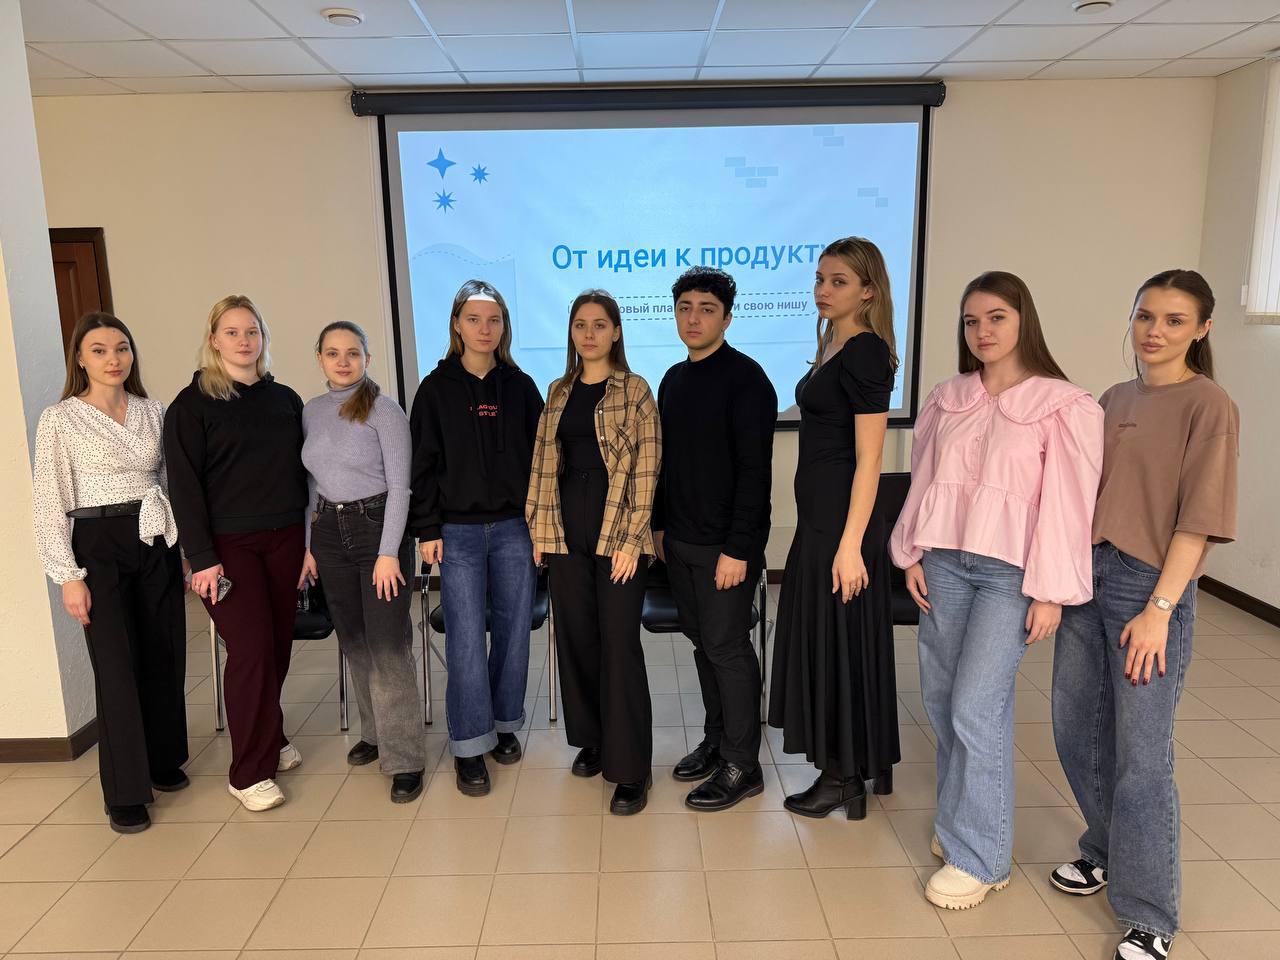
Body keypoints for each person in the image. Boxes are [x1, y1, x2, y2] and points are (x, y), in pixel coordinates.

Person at [891, 271, 1104, 910]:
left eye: (996, 318)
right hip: (945, 563)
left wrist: (1051, 590)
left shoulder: (1064, 404)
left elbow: (1069, 504)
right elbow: (925, 478)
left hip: (1009, 574)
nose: (981, 331)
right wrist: (912, 551)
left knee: (976, 706)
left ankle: (981, 857)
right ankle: (962, 819)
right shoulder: (948, 396)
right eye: (970, 321)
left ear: (1023, 321)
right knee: (941, 698)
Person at [1049, 270, 1239, 960]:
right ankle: (1104, 849)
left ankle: (1149, 912)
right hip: (1088, 578)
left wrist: (1161, 608)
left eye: (1174, 320)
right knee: (1075, 730)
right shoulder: (1115, 398)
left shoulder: (1208, 404)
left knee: (1142, 756)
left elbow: (1199, 518)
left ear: (1203, 329)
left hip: (1148, 588)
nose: (1155, 331)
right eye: (1145, 316)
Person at [32, 312, 188, 834]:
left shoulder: (151, 410)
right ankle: (125, 791)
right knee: (117, 665)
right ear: (80, 358)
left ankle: (163, 759)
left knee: (164, 651)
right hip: (98, 544)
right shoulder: (60, 419)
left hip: (152, 536)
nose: (113, 359)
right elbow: (49, 499)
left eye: (121, 348)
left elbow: (166, 478)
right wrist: (67, 575)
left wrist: (181, 544)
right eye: (99, 350)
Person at [768, 237, 900, 822]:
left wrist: (851, 546)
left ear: (868, 290)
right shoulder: (833, 342)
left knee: (838, 646)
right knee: (832, 643)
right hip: (821, 520)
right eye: (820, 278)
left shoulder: (866, 351)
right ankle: (855, 765)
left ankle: (844, 777)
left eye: (839, 281)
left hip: (842, 528)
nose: (823, 290)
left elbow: (870, 459)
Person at [164, 295, 308, 813]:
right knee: (251, 651)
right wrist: (201, 558)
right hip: (227, 549)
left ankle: (271, 733)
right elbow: (184, 488)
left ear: (263, 338)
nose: (244, 341)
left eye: (252, 331)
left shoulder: (285, 399)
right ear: (213, 339)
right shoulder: (191, 406)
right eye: (232, 332)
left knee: (279, 646)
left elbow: (303, 475)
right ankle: (248, 772)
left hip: (286, 540)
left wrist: (308, 544)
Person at [527, 289, 661, 815]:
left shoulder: (635, 390)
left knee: (619, 646)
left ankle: (631, 769)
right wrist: (540, 531)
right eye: (580, 324)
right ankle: (595, 740)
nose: (589, 333)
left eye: (600, 324)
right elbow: (543, 463)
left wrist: (631, 541)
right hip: (566, 528)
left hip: (617, 527)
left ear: (616, 331)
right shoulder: (558, 391)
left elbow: (647, 469)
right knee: (578, 639)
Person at [409, 280, 543, 797]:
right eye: (474, 320)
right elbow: (422, 465)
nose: (484, 329)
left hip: (515, 530)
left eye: (494, 320)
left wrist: (542, 528)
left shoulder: (521, 387)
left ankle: (504, 724)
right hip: (457, 533)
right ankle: (468, 745)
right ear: (456, 326)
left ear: (504, 327)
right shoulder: (435, 389)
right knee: (464, 639)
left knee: (513, 632)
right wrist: (426, 528)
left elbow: (542, 464)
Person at [652, 266, 777, 811]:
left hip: (726, 548)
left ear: (727, 317)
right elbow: (666, 464)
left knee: (727, 648)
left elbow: (755, 474)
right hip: (679, 542)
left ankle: (742, 764)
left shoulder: (747, 380)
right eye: (685, 308)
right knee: (704, 644)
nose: (693, 318)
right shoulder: (673, 379)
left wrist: (739, 550)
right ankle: (717, 741)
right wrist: (659, 525)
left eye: (706, 309)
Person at [299, 321, 425, 803]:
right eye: (333, 353)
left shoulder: (384, 410)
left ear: (368, 359)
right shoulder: (311, 411)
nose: (343, 361)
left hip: (376, 528)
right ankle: (375, 733)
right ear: (320, 358)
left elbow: (400, 487)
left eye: (352, 353)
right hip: (329, 533)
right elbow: (312, 484)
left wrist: (389, 552)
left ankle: (405, 758)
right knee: (354, 641)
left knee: (388, 645)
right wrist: (309, 545)